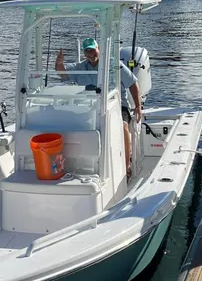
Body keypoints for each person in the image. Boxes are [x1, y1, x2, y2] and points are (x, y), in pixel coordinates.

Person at [55, 37, 142, 179]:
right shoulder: (81, 67)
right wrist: (59, 63)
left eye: (92, 50)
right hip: (90, 107)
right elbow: (62, 73)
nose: (90, 54)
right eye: (87, 51)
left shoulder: (115, 65)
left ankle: (127, 166)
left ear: (99, 49)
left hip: (117, 105)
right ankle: (82, 165)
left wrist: (138, 106)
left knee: (124, 127)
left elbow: (132, 83)